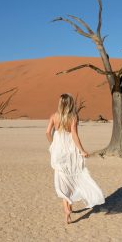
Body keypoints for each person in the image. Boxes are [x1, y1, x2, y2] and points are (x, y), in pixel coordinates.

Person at [46, 93, 105, 224]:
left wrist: (53, 144)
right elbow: (74, 135)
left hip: (59, 150)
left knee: (62, 178)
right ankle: (69, 206)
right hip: (71, 150)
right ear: (70, 104)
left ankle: (67, 209)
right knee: (73, 176)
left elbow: (47, 132)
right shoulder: (73, 117)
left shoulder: (54, 116)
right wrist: (82, 150)